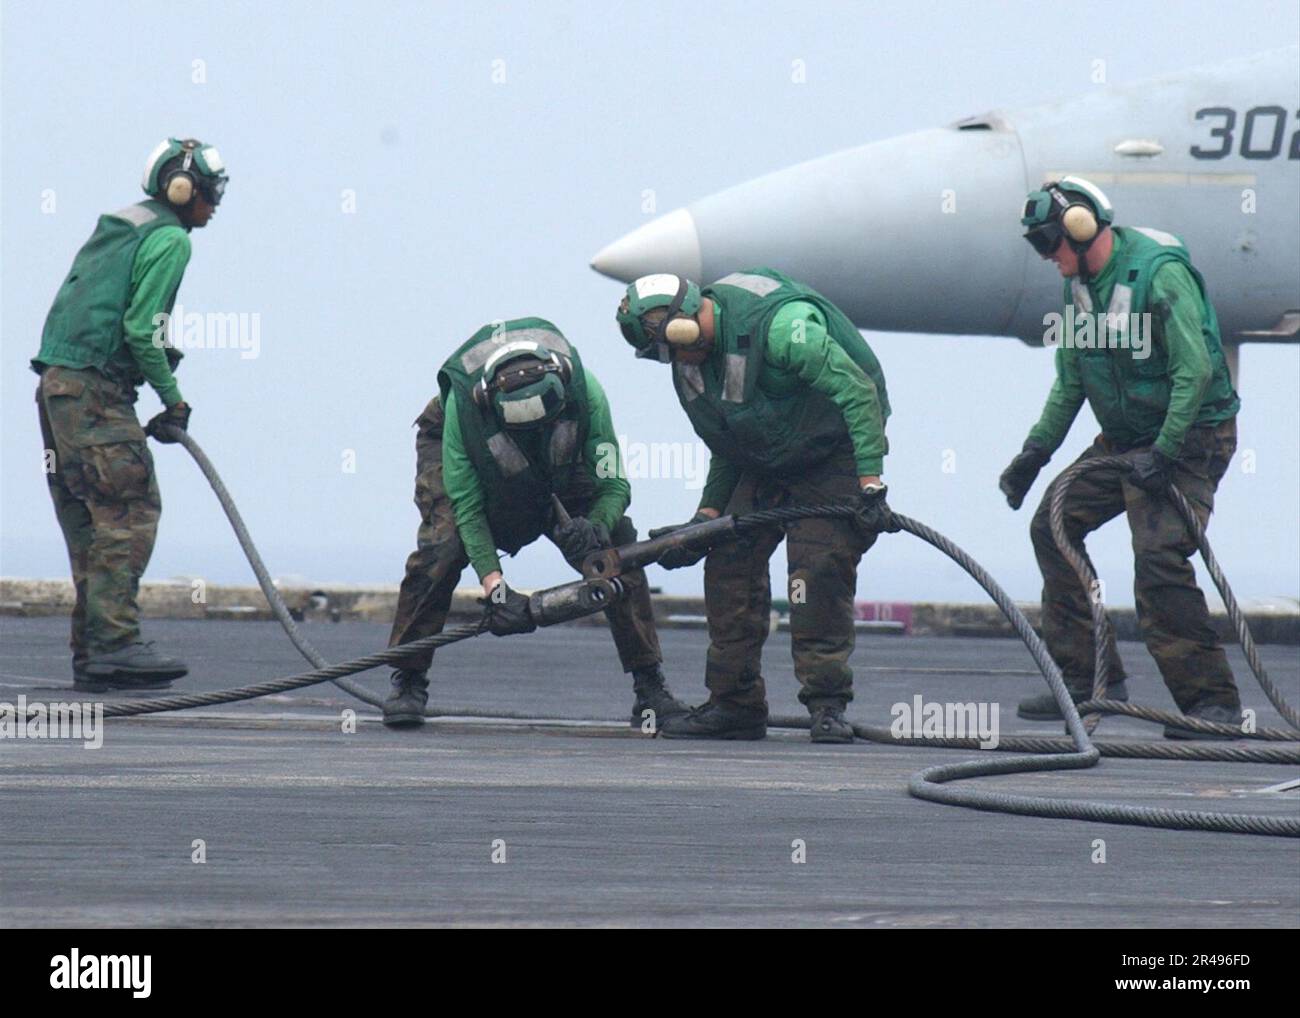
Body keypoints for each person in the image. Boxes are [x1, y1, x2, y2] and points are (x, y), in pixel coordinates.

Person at [1002, 175, 1243, 740]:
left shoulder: (1160, 275)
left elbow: (1196, 371)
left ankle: (1213, 703)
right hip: (1129, 438)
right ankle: (1089, 684)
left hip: (1191, 436)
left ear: (1081, 230)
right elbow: (1070, 383)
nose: (1047, 258)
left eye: (1047, 244)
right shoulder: (1079, 288)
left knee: (1158, 556)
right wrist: (1035, 454)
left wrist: (1162, 454)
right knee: (1052, 525)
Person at [615, 269, 894, 743]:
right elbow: (728, 441)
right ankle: (735, 705)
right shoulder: (689, 365)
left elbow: (858, 393)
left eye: (673, 346)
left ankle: (826, 704)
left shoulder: (785, 330)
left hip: (832, 451)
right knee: (728, 559)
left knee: (816, 571)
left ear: (684, 324)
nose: (674, 359)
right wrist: (704, 519)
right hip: (764, 457)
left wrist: (870, 485)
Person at [381, 317, 687, 730]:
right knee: (444, 546)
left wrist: (597, 524)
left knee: (616, 547)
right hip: (465, 450)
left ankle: (649, 684)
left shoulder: (587, 392)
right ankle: (408, 677)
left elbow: (613, 481)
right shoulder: (464, 411)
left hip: (559, 461)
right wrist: (495, 586)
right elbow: (468, 507)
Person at [33, 138, 228, 691]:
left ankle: (94, 653)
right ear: (182, 189)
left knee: (90, 522)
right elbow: (141, 329)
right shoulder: (170, 239)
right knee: (128, 510)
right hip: (95, 391)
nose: (213, 205)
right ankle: (116, 644)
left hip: (58, 390)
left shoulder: (123, 228)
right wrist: (174, 400)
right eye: (210, 194)